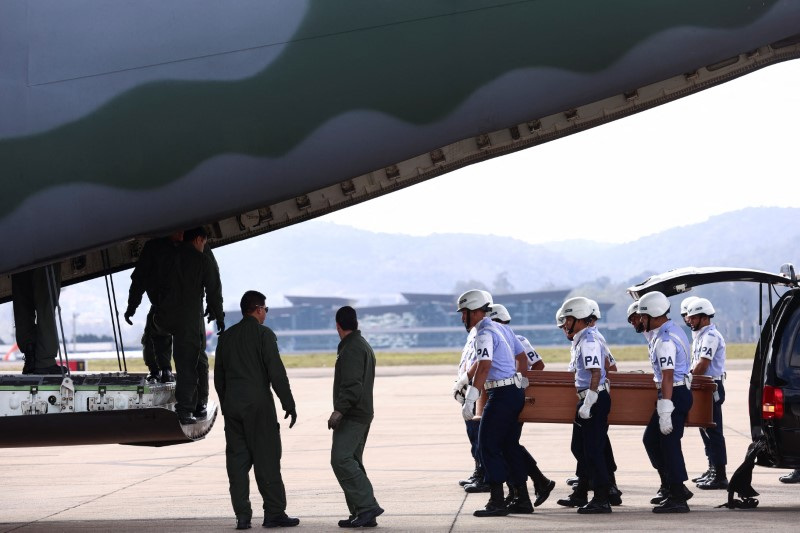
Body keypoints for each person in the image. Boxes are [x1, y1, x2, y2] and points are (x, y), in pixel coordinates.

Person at [214, 290, 299, 530]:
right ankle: (274, 513)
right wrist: (288, 403)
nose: (266, 314)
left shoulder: (226, 337)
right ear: (259, 309)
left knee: (237, 463)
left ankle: (242, 516)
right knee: (267, 459)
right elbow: (276, 373)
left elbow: (218, 378)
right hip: (258, 407)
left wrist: (227, 402)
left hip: (233, 408)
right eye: (266, 310)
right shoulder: (264, 334)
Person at [456, 290, 529, 517]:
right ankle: (522, 498)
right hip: (513, 392)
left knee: (487, 445)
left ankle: (497, 501)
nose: (462, 318)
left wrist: (471, 397)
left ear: (476, 311)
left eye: (465, 312)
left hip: (500, 394)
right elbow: (522, 357)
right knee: (508, 446)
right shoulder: (502, 328)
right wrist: (464, 380)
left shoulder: (483, 333)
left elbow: (485, 365)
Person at [487, 303, 555, 508]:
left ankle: (526, 489)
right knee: (509, 445)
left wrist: (522, 382)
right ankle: (532, 484)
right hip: (509, 396)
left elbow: (538, 365)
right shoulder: (508, 338)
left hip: (511, 397)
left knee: (507, 446)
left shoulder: (517, 340)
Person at [154, 226, 224, 424]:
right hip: (188, 319)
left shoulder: (169, 257)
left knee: (183, 359)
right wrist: (218, 316)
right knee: (189, 364)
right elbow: (213, 290)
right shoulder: (201, 260)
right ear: (199, 240)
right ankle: (187, 409)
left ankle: (192, 403)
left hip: (164, 318)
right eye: (204, 242)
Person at [554, 297, 613, 514]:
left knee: (593, 450)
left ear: (577, 318)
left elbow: (596, 372)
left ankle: (602, 498)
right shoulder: (582, 338)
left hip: (593, 398)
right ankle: (582, 492)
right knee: (580, 447)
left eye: (567, 319)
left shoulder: (588, 340)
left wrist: (589, 401)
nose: (565, 324)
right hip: (589, 397)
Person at [329, 306, 384, 528]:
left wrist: (339, 410)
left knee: (340, 459)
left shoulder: (351, 348)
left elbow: (352, 385)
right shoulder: (362, 345)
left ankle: (367, 506)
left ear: (338, 326)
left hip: (353, 414)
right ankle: (362, 513)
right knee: (352, 460)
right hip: (361, 412)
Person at [638, 291, 693, 513]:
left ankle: (678, 496)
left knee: (669, 446)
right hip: (675, 393)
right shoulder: (670, 330)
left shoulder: (665, 340)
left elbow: (668, 376)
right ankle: (673, 486)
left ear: (653, 314)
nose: (640, 320)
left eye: (643, 316)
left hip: (673, 395)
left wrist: (665, 409)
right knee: (652, 440)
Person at [124, 230, 184, 382]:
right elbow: (140, 280)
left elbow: (139, 280)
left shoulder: (155, 248)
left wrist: (132, 307)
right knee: (154, 334)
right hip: (179, 304)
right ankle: (161, 370)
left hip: (166, 304)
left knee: (155, 334)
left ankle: (161, 370)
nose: (182, 234)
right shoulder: (189, 246)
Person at [687, 298, 728, 490]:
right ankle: (712, 468)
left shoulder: (710, 336)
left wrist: (688, 379)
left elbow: (702, 365)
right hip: (703, 386)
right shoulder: (701, 335)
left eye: (694, 317)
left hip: (711, 386)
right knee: (705, 430)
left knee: (713, 431)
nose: (690, 321)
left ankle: (719, 474)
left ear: (704, 317)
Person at [12, 264, 63, 374]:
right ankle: (45, 361)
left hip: (16, 254)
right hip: (43, 253)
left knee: (22, 301)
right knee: (46, 303)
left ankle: (30, 356)